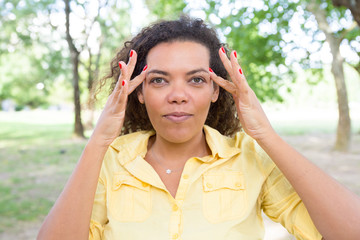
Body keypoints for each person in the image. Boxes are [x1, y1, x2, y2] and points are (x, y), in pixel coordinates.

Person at [37, 16, 360, 240]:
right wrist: (97, 143)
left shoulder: (248, 156)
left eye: (196, 79)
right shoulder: (111, 158)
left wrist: (266, 136)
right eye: (159, 80)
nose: (178, 96)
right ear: (138, 90)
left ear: (216, 89)